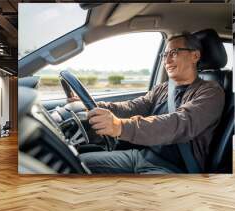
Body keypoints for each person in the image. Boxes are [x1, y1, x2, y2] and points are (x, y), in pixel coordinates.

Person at [79, 33, 225, 174]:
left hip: (172, 169)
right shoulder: (163, 88)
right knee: (77, 162)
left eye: (174, 53)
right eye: (164, 55)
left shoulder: (211, 92)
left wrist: (120, 126)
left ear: (195, 56)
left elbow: (179, 123)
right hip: (141, 156)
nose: (167, 61)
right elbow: (134, 107)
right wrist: (91, 104)